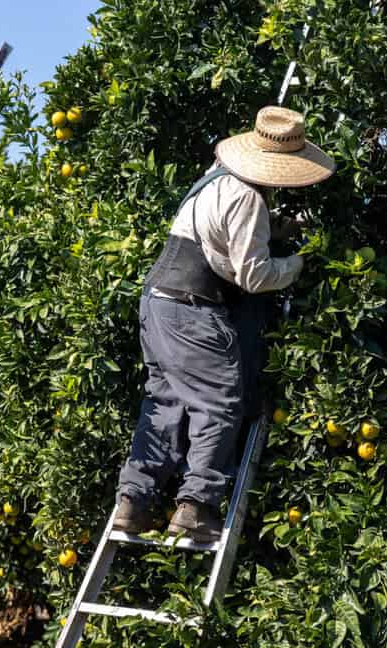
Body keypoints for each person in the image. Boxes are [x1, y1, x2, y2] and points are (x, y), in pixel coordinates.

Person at [113, 106, 335, 542]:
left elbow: (222, 239)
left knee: (165, 403)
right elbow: (253, 275)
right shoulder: (249, 197)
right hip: (191, 310)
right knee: (219, 400)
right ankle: (197, 506)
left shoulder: (215, 175)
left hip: (157, 304)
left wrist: (280, 229)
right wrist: (298, 264)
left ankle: (132, 503)